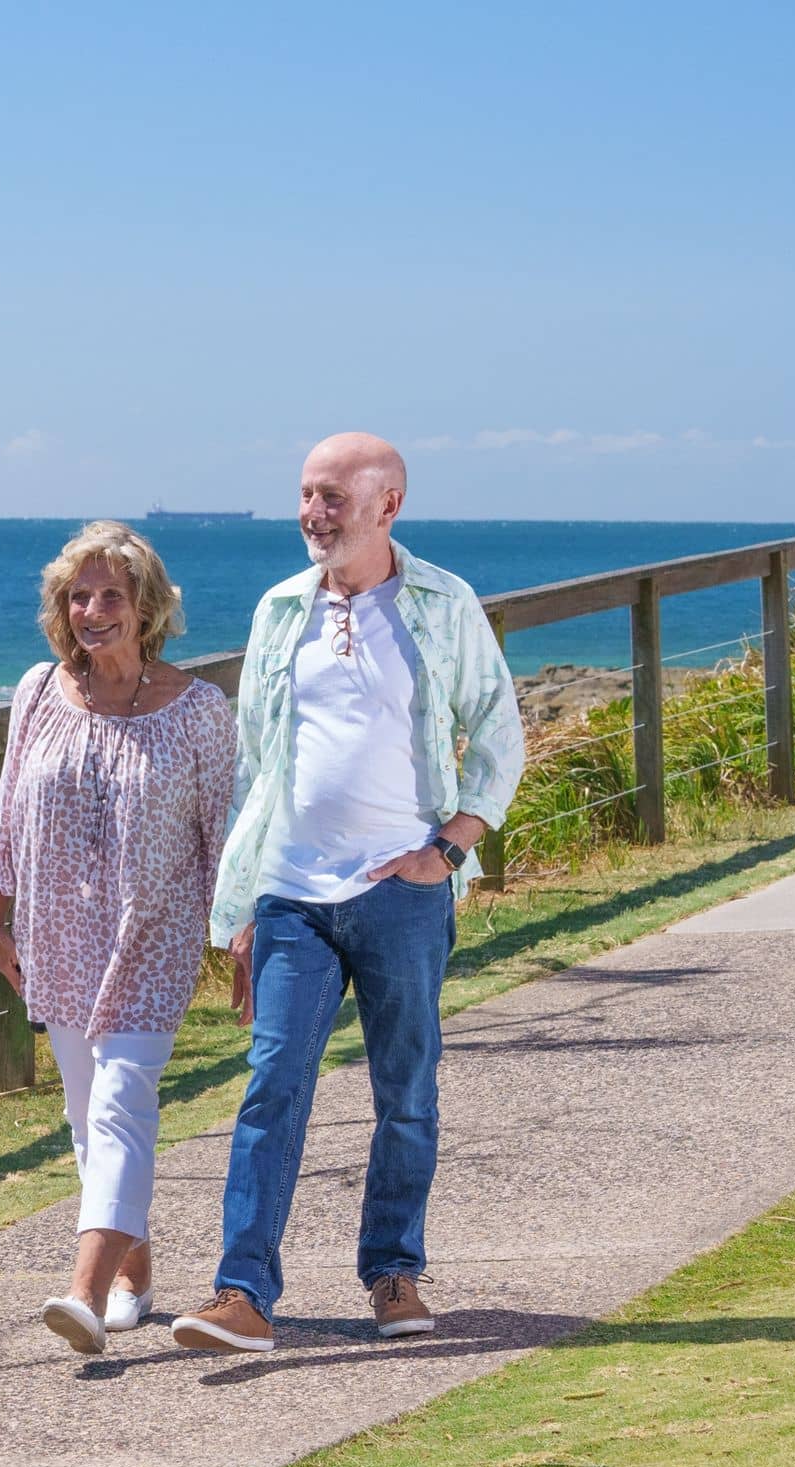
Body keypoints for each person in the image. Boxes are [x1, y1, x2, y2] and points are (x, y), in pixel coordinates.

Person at [171, 434, 526, 1356]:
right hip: (293, 890)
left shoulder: (445, 605)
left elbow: (499, 738)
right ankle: (242, 1293)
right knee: (271, 1082)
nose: (313, 514)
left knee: (404, 1087)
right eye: (305, 495)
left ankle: (393, 1271)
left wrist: (445, 852)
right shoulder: (280, 609)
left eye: (332, 497)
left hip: (402, 891)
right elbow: (256, 763)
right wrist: (245, 904)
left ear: (388, 504)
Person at [0, 521, 238, 1357]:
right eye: (78, 596)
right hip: (56, 934)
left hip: (151, 941)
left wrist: (242, 940)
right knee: (90, 1119)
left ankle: (83, 1293)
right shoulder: (38, 693)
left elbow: (226, 838)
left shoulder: (198, 712)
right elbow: (10, 810)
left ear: (147, 606)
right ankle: (136, 1273)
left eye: (111, 596)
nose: (93, 611)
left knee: (122, 1105)